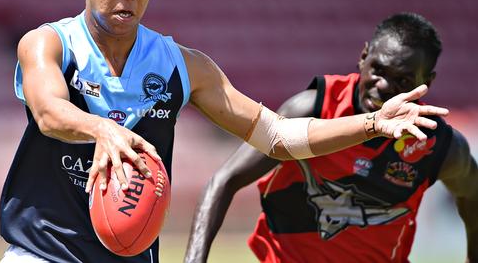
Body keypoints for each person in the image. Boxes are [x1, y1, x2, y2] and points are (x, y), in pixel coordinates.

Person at [0, 0, 448, 261]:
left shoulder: (182, 66)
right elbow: (48, 112)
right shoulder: (49, 44)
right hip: (41, 253)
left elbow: (276, 136)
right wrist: (102, 129)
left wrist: (372, 124)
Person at [184, 13, 477, 263]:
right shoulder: (312, 109)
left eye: (403, 81)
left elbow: (472, 195)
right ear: (363, 57)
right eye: (378, 70)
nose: (383, 86)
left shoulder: (439, 145)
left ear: (427, 83)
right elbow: (224, 181)